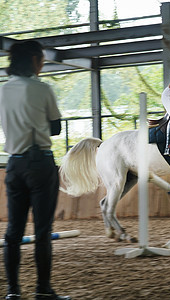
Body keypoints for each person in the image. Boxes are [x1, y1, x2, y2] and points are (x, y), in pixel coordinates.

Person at [0, 41, 71, 300]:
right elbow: (55, 129)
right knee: (42, 231)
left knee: (13, 232)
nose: (42, 65)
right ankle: (43, 289)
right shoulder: (42, 89)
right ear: (33, 60)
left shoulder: (3, 90)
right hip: (40, 163)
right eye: (41, 60)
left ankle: (13, 292)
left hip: (14, 165)